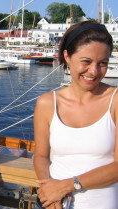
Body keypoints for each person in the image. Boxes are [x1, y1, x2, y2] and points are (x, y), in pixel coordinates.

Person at [33, 20, 118, 209]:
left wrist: (65, 186)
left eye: (103, 63)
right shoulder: (46, 103)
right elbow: (41, 156)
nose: (94, 71)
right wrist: (49, 191)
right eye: (86, 62)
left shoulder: (115, 101)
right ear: (67, 57)